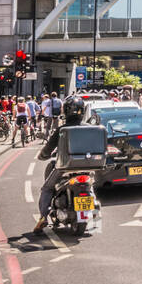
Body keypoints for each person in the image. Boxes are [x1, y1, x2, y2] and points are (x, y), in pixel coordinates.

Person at [33, 96, 87, 234]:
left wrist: (42, 155)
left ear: (66, 111)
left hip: (65, 168)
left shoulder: (62, 130)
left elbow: (47, 150)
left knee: (47, 188)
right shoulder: (90, 128)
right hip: (88, 168)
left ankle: (43, 218)